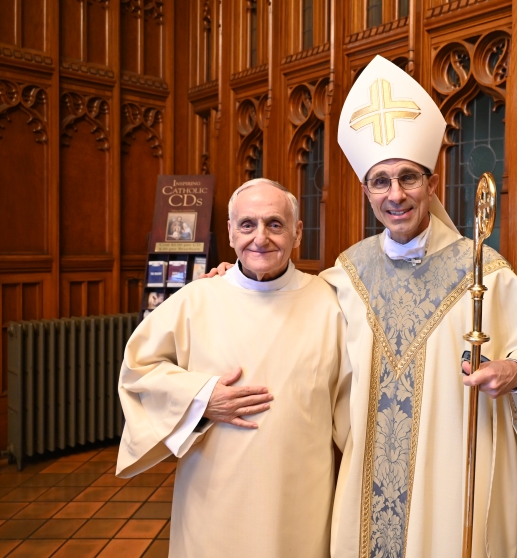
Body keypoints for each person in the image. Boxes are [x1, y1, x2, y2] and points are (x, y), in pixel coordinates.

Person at [211, 56, 517, 557]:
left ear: (433, 184)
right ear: (365, 191)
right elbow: (289, 309)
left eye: (409, 178)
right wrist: (241, 280)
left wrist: (516, 369)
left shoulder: (482, 271)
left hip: (450, 483)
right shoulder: (345, 275)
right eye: (380, 181)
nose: (395, 195)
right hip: (365, 481)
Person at [117, 179, 349, 558]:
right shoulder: (197, 298)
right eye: (247, 224)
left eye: (275, 224)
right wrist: (201, 399)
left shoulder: (328, 301)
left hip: (299, 494)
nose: (261, 238)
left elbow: (355, 397)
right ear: (229, 232)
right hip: (214, 493)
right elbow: (138, 371)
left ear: (297, 232)